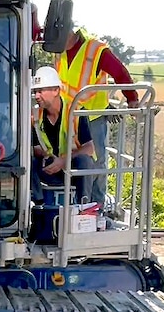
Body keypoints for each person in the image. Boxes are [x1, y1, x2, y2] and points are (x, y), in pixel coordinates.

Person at [56, 26, 140, 206]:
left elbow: (119, 72)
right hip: (66, 116)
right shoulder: (59, 49)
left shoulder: (96, 50)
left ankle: (96, 206)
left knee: (95, 162)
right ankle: (74, 203)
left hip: (91, 117)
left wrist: (132, 99)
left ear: (69, 35)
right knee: (69, 158)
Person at [30, 66, 94, 243]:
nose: (37, 96)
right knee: (27, 160)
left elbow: (89, 148)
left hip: (72, 167)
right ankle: (39, 208)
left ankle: (83, 210)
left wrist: (63, 160)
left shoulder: (76, 112)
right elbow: (35, 144)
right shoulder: (35, 115)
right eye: (35, 91)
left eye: (41, 91)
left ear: (56, 90)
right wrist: (42, 156)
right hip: (49, 168)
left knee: (85, 161)